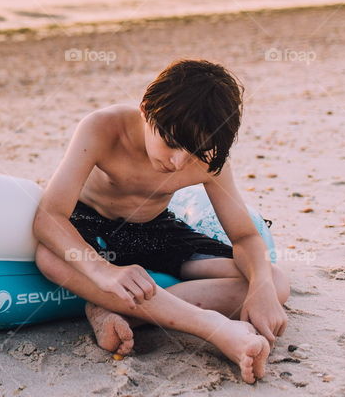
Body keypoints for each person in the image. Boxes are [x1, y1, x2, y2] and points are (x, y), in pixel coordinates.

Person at [33, 59, 289, 384]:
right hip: (90, 225)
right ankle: (215, 328)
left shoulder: (209, 157)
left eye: (195, 151)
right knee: (49, 257)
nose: (178, 161)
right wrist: (103, 271)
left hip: (156, 229)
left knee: (274, 281)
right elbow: (49, 216)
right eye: (170, 143)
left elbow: (244, 237)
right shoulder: (103, 129)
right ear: (145, 109)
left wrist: (262, 289)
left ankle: (112, 310)